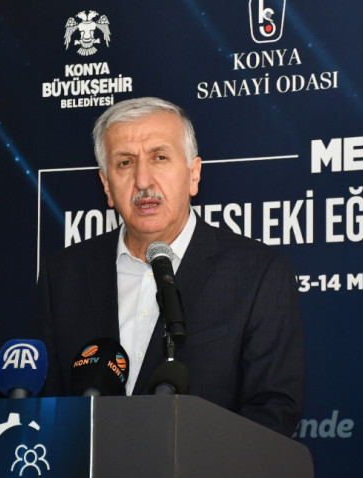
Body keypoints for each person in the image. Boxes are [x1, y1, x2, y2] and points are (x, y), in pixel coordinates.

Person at [33, 97, 304, 436]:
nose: (143, 180)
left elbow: (273, 412)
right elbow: (44, 409)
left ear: (193, 174)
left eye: (159, 157)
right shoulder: (63, 276)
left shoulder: (257, 273)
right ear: (106, 185)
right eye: (125, 163)